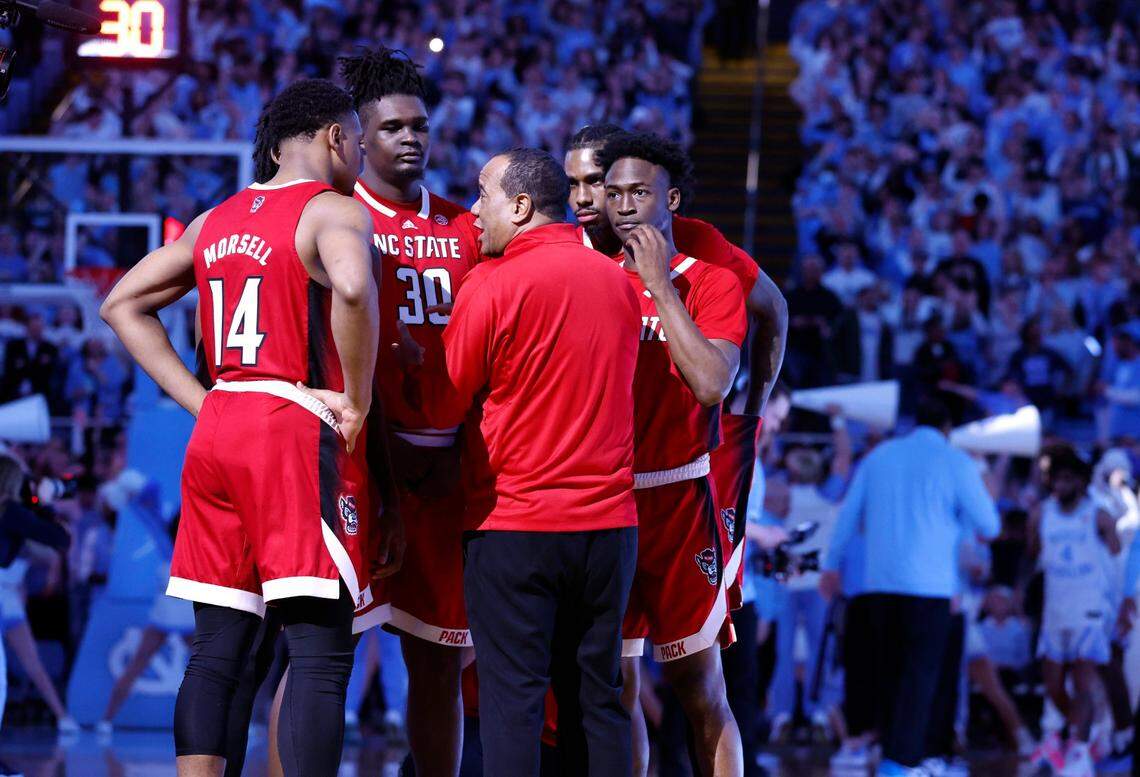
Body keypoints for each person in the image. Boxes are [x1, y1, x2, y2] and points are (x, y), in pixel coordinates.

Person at [100, 79, 391, 777]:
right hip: (293, 426)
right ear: (334, 137)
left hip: (223, 422)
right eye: (356, 136)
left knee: (217, 650)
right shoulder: (333, 212)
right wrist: (355, 396)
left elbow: (121, 303)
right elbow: (352, 287)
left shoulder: (214, 219)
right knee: (319, 650)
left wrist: (200, 400)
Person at [422, 147, 641, 776]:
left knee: (513, 701)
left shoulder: (490, 283)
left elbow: (443, 399)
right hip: (609, 529)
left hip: (515, 525)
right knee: (597, 699)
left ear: (519, 206)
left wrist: (414, 363)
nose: (471, 212)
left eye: (481, 195)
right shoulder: (616, 282)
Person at [337, 45, 482, 777]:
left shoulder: (466, 229)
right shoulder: (333, 218)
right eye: (392, 127)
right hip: (359, 460)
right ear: (360, 137)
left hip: (445, 467)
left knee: (440, 660)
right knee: (320, 659)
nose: (411, 138)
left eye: (420, 125)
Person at [595, 132, 748, 777]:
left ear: (672, 199)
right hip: (607, 497)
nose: (625, 205)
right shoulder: (594, 279)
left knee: (700, 689)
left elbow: (712, 382)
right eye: (615, 192)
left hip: (681, 498)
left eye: (640, 192)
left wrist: (657, 283)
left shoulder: (712, 281)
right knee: (619, 689)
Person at [820, 397, 1000, 776]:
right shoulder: (955, 461)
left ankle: (894, 756)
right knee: (920, 677)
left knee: (889, 673)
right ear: (948, 429)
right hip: (930, 588)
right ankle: (901, 764)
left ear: (914, 422)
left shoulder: (880, 456)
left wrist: (830, 564)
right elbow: (991, 525)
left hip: (878, 586)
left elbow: (848, 513)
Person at [1027, 446, 1120, 777]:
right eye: (1055, 479)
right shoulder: (1041, 514)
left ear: (1080, 482)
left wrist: (1116, 602)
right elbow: (1032, 555)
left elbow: (1115, 557)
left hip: (1089, 607)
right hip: (1056, 607)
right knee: (1053, 684)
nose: (1059, 486)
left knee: (1082, 679)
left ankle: (1078, 750)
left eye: (1067, 479)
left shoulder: (1098, 515)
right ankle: (1084, 731)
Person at [0, 455, 74, 741]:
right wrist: (43, 503)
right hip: (4, 596)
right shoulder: (11, 511)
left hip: (8, 596)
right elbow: (60, 539)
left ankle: (62, 716)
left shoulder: (12, 513)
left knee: (29, 661)